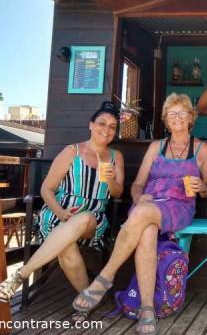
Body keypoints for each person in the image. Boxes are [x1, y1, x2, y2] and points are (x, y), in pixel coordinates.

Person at [72, 93, 207, 335]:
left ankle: (105, 277)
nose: (177, 117)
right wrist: (139, 197)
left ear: (190, 117)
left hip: (179, 207)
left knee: (143, 214)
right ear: (166, 120)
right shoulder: (155, 147)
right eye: (172, 113)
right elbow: (137, 185)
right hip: (147, 206)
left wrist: (202, 187)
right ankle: (147, 310)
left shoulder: (202, 149)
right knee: (146, 230)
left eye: (182, 113)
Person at [0, 101, 125, 322]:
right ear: (91, 125)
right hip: (59, 213)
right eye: (102, 123)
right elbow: (46, 189)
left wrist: (110, 179)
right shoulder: (72, 151)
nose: (106, 129)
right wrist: (60, 213)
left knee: (84, 217)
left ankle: (20, 275)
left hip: (93, 220)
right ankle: (85, 302)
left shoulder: (116, 157)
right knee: (66, 242)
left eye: (113, 126)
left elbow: (117, 193)